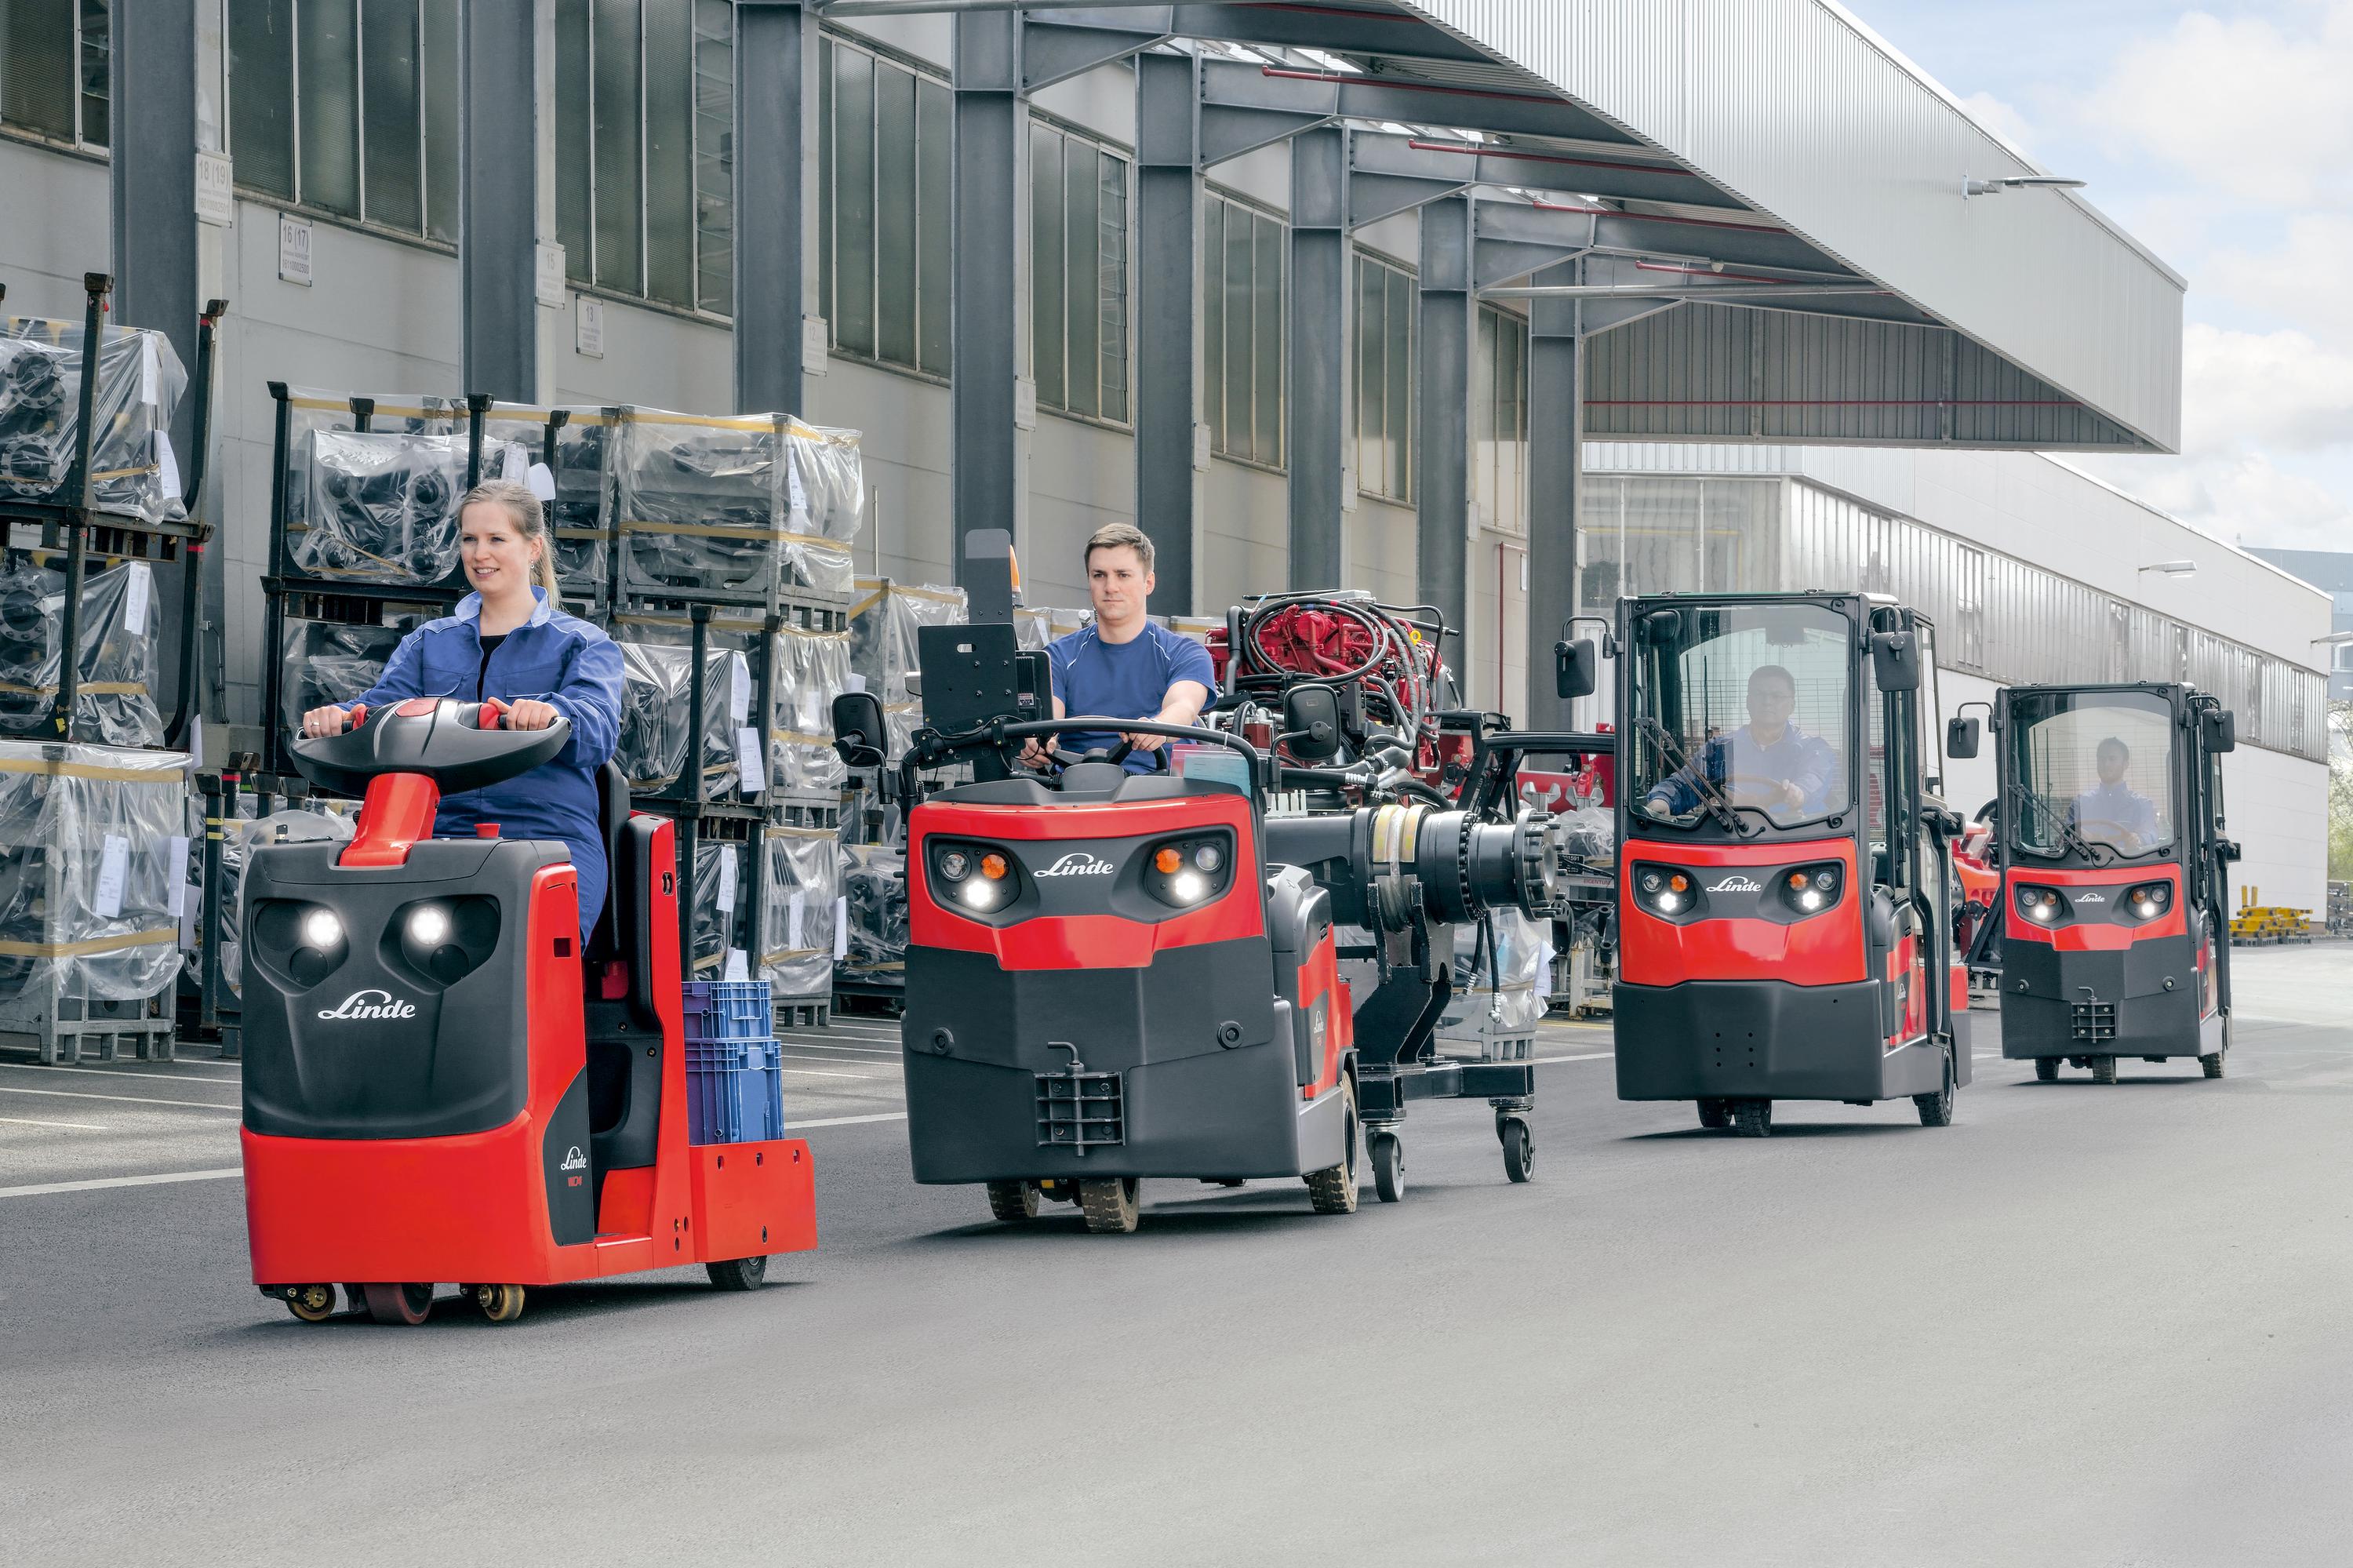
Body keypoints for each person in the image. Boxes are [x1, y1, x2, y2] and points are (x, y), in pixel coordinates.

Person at [300, 480, 624, 938]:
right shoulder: (428, 643)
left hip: (548, 839)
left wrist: (551, 714)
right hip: (434, 833)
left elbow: (597, 727)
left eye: (497, 539)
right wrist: (339, 719)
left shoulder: (582, 643)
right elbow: (380, 710)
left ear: (533, 549)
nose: (479, 553)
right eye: (470, 539)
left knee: (529, 965)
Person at [1024, 523, 1214, 774]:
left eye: (1123, 575)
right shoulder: (1056, 657)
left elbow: (1184, 706)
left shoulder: (1186, 654)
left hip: (1163, 793)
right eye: (1099, 575)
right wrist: (1039, 741)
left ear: (1148, 583)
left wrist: (1159, 727)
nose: (1110, 587)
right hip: (1075, 795)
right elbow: (1048, 718)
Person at [1643, 663, 1839, 822]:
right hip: (1734, 837)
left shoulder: (1812, 749)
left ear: (1792, 705)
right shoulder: (1720, 749)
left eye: (1777, 696)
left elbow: (1814, 778)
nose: (1768, 702)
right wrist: (1662, 800)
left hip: (1795, 840)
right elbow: (1687, 782)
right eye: (1760, 695)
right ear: (1748, 702)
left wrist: (1799, 793)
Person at [2071, 736, 2161, 852]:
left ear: (2126, 764)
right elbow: (2067, 835)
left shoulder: (2142, 805)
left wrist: (2138, 840)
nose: (2106, 764)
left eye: (2112, 759)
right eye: (2101, 759)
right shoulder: (2080, 804)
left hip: (2130, 865)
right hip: (2087, 865)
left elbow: (2151, 834)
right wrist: (2077, 837)